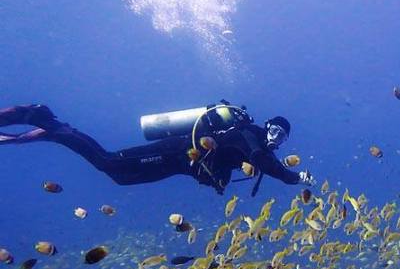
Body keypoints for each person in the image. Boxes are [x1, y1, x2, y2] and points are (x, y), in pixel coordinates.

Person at [0, 102, 315, 195]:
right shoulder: (249, 134)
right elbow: (263, 160)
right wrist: (295, 177)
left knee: (120, 178)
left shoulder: (256, 145)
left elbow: (259, 162)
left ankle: (50, 133)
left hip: (179, 164)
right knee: (109, 162)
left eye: (282, 138)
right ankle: (48, 121)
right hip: (176, 151)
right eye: (275, 131)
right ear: (266, 126)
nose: (277, 140)